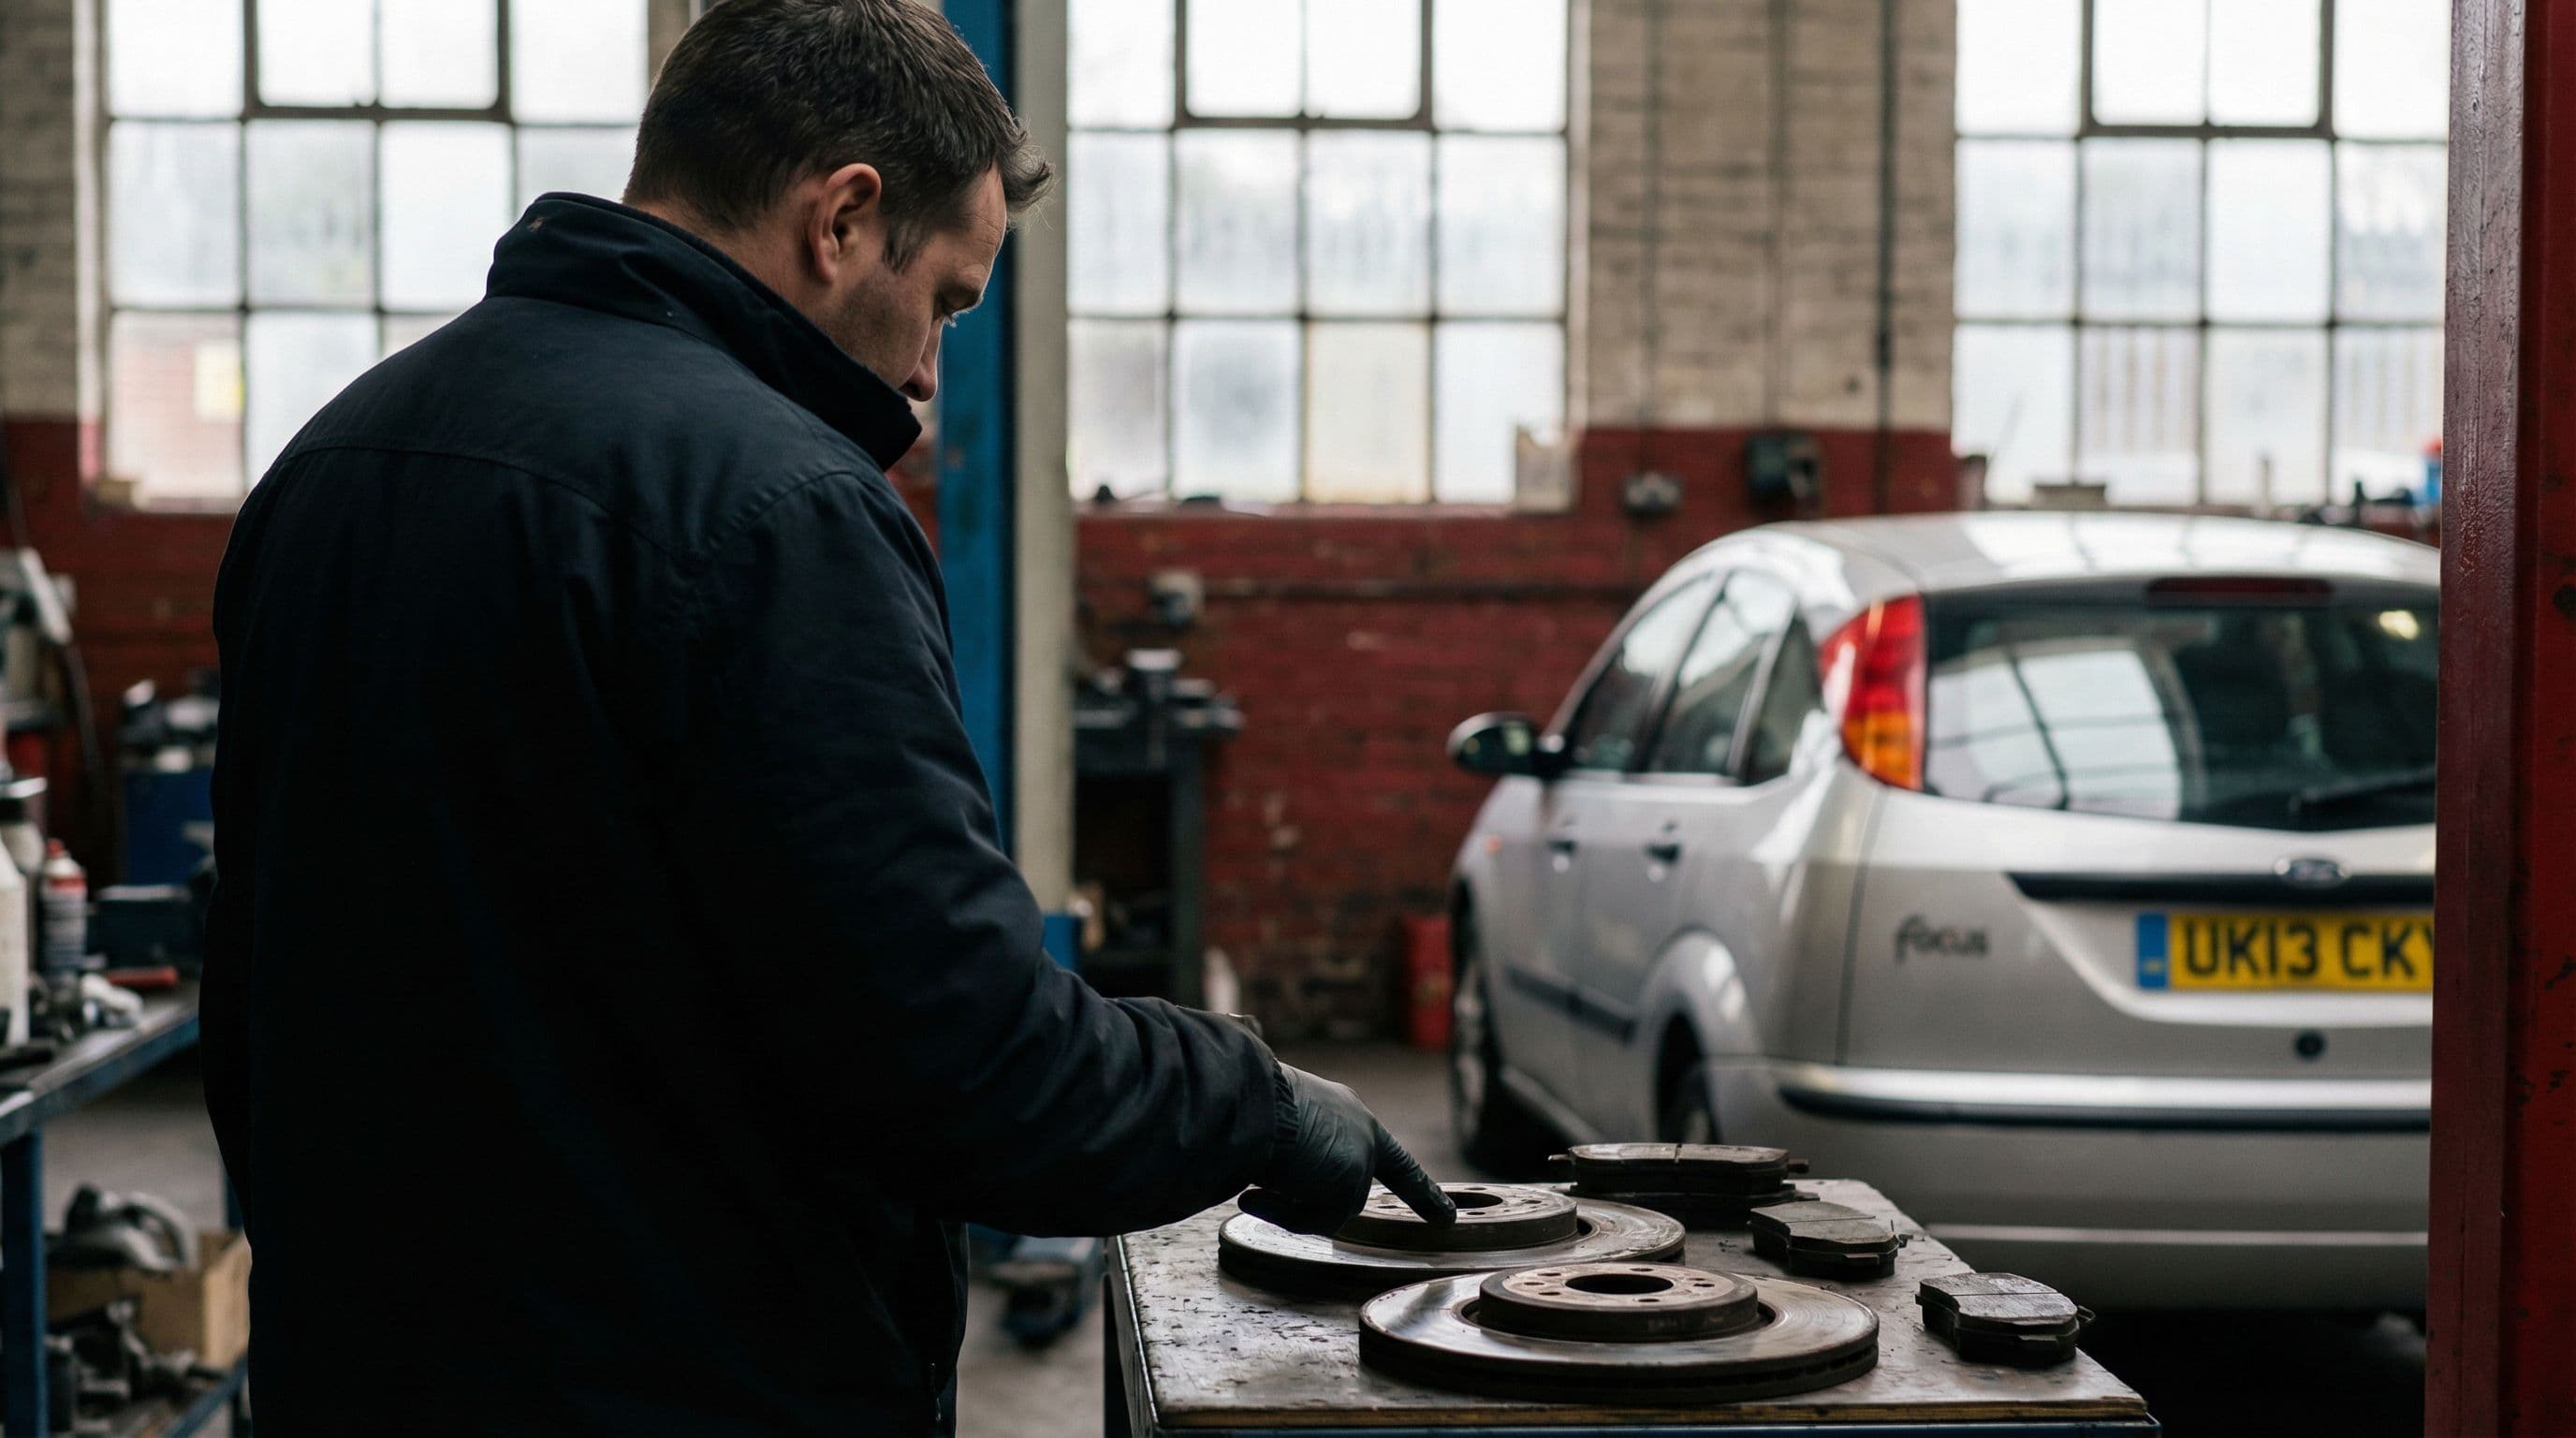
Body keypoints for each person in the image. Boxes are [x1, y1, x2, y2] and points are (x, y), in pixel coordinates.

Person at [202, 1, 1452, 1431]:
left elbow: (248, 984)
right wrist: (1251, 1103)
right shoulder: (777, 507)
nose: (928, 375)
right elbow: (966, 1063)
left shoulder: (334, 460)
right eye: (950, 300)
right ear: (844, 218)